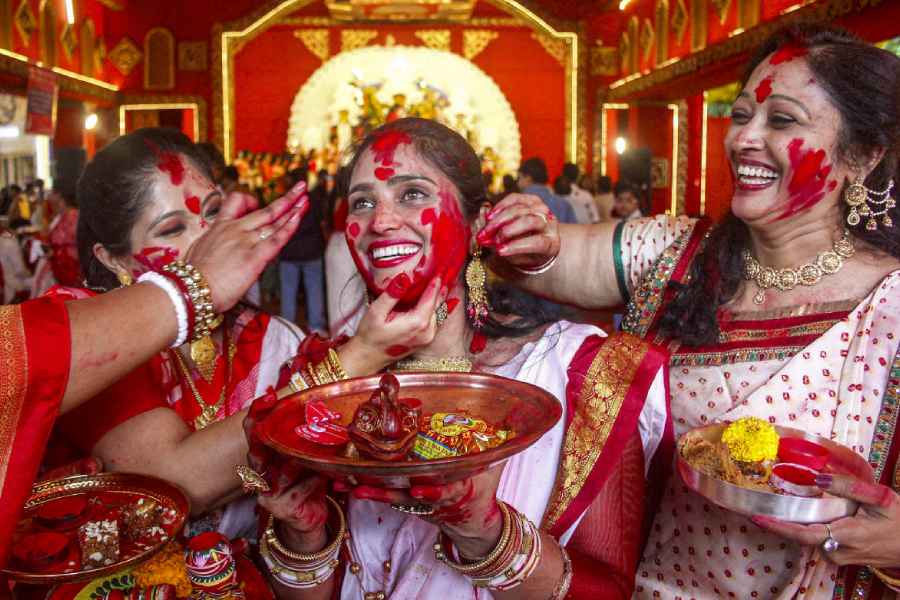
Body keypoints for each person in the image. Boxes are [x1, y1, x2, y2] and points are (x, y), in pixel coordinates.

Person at [481, 25, 900, 599]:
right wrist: (518, 231)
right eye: (742, 114)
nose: (745, 139)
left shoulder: (892, 307)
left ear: (862, 155)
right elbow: (538, 257)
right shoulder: (676, 255)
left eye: (781, 121)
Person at [244, 117, 669, 599]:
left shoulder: (580, 376)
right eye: (363, 202)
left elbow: (611, 591)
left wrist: (487, 534)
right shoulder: (327, 387)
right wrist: (304, 533)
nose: (381, 222)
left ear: (476, 225)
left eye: (412, 194)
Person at [0, 165, 305, 568]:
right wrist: (196, 288)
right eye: (172, 229)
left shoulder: (277, 338)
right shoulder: (95, 341)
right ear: (112, 258)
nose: (208, 239)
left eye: (213, 213)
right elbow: (175, 485)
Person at [278, 168, 328, 334]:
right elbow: (322, 224)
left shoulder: (285, 200)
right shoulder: (314, 199)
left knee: (288, 291)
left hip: (289, 251)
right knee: (314, 290)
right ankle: (315, 326)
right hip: (311, 250)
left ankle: (288, 328)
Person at [31, 183, 81, 296]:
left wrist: (54, 252)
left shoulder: (73, 217)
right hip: (54, 269)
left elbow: (75, 249)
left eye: (52, 192)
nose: (49, 196)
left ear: (60, 195)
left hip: (63, 272)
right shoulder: (61, 215)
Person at [517, 157, 577, 223]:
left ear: (528, 178)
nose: (518, 183)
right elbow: (575, 231)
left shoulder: (517, 204)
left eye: (519, 178)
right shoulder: (563, 204)